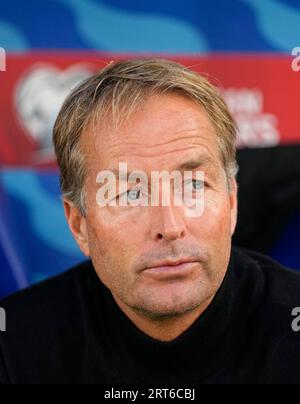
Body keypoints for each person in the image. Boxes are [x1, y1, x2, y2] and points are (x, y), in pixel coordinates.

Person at [0, 59, 300, 384]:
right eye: (129, 195)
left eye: (194, 186)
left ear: (231, 202)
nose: (170, 227)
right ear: (79, 224)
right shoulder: (13, 348)